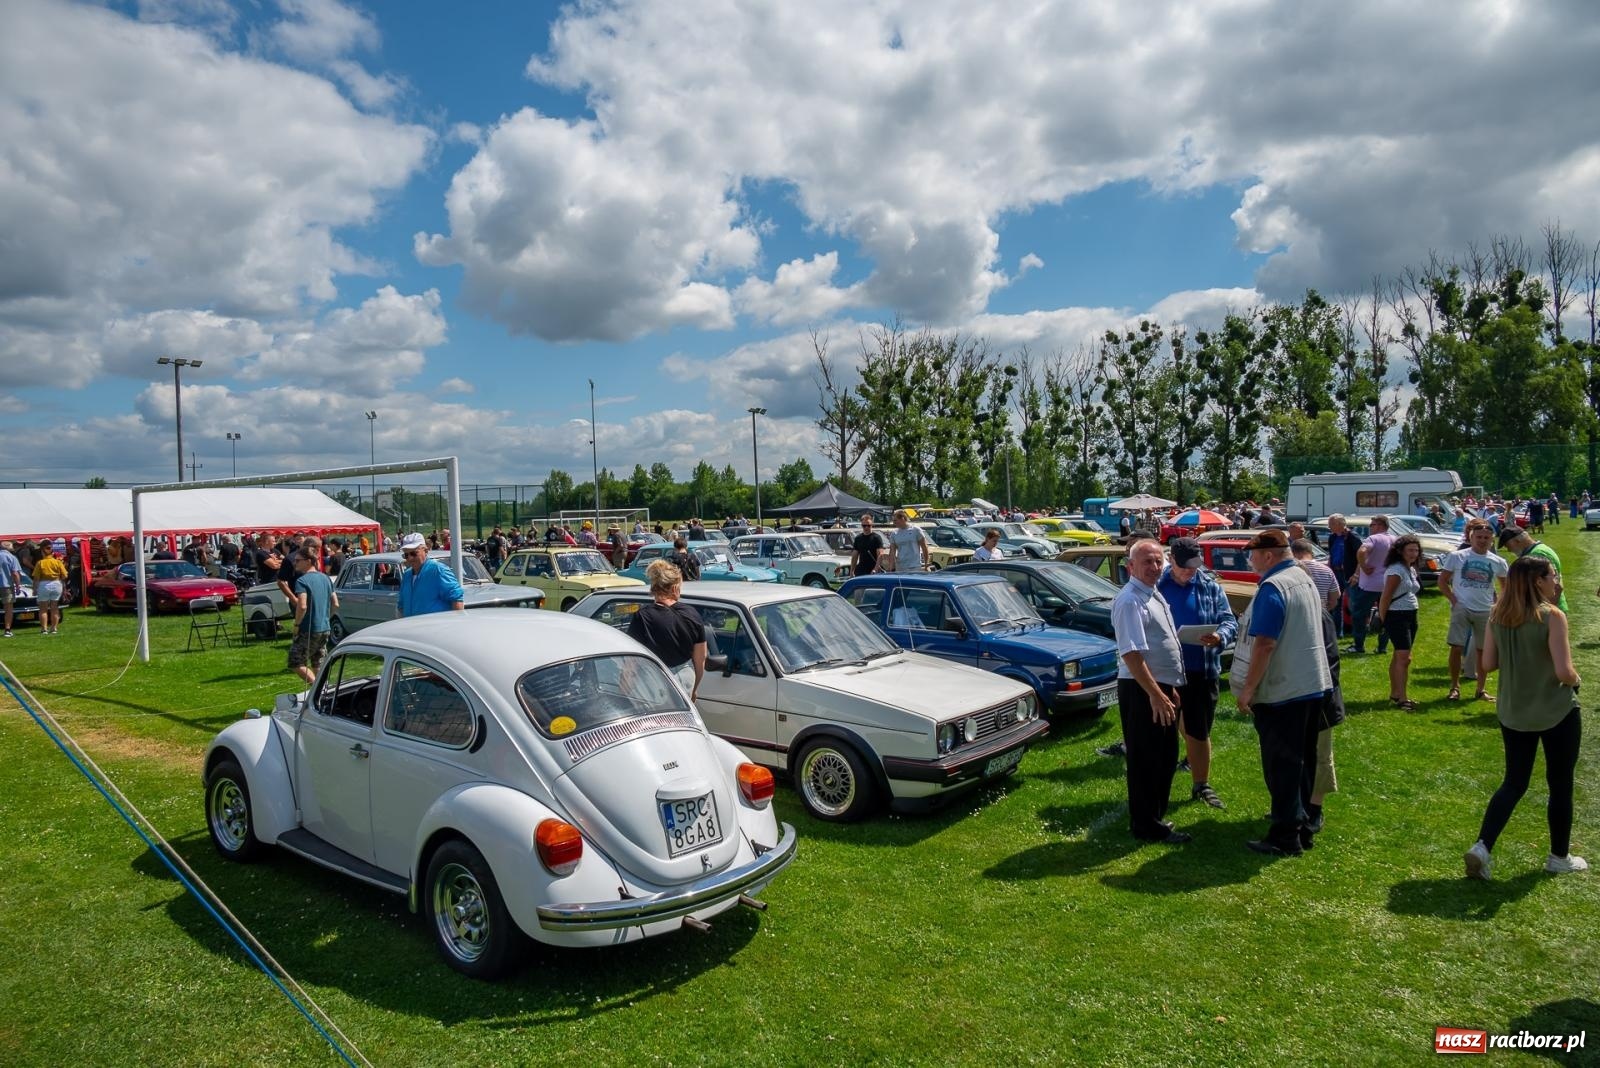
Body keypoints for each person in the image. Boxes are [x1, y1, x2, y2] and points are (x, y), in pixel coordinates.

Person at [1464, 555, 1586, 879]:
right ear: (1537, 581)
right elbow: (1564, 671)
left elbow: (1487, 664)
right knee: (1560, 785)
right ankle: (1559, 856)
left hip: (1513, 711)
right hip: (1556, 710)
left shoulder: (1497, 616)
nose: (1556, 581)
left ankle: (1482, 847)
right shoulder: (1553, 616)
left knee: (1514, 783)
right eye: (1551, 576)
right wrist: (1577, 680)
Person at [1231, 529, 1332, 856]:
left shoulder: (1273, 587)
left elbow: (1265, 643)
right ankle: (1301, 828)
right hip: (1312, 685)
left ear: (1268, 556)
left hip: (1283, 690)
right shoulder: (1304, 579)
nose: (1250, 559)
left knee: (1282, 766)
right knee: (1302, 761)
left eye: (1253, 554)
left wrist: (1248, 688)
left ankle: (1285, 836)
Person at [1110, 539, 1190, 844]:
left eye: (1158, 562)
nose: (1155, 568)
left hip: (1159, 687)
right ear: (1131, 566)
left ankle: (1154, 817)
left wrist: (1170, 686)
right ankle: (1146, 825)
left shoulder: (1152, 593)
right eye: (1147, 562)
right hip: (1142, 690)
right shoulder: (1130, 599)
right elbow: (1131, 654)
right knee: (1147, 760)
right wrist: (1156, 694)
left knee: (1165, 756)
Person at [1157, 538, 1237, 810]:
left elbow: (1229, 620)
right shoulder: (1156, 586)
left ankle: (1201, 783)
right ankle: (1157, 785)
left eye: (1194, 566)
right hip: (1165, 672)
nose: (1190, 571)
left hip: (1201, 671)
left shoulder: (1209, 585)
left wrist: (1219, 636)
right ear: (1171, 559)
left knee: (1199, 731)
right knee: (1163, 731)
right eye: (1184, 566)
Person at [1440, 520, 1507, 701]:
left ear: (1492, 540)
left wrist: (1498, 605)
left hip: (1485, 610)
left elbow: (1505, 587)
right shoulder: (1457, 556)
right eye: (1479, 537)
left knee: (1482, 650)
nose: (1482, 540)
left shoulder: (1498, 561)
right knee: (1456, 647)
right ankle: (1454, 687)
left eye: (1486, 537)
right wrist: (1454, 600)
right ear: (1471, 537)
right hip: (1461, 608)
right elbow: (1442, 580)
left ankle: (1481, 689)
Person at [627, 560, 707, 700]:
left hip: (653, 682)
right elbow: (700, 659)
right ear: (675, 588)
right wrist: (694, 689)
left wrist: (625, 688)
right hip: (686, 679)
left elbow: (631, 663)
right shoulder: (693, 614)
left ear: (654, 588)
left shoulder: (642, 617)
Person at [1376, 534, 1423, 710]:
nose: (1413, 553)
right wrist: (1383, 620)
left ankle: (1395, 693)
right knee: (1405, 658)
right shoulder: (1395, 570)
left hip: (1411, 613)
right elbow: (1385, 597)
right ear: (1400, 551)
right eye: (1410, 550)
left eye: (1416, 550)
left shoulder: (1409, 568)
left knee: (1399, 656)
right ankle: (1403, 698)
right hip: (1396, 615)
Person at [288, 550, 337, 685]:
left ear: (309, 561)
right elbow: (336, 604)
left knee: (295, 661)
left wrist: (297, 625)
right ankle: (325, 691)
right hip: (325, 627)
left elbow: (302, 606)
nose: (295, 563)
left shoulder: (302, 581)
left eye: (298, 561)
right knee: (317, 661)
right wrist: (326, 617)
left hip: (308, 629)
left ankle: (317, 689)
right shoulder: (325, 578)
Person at [1347, 515, 1394, 655]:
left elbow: (1362, 551)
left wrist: (1364, 566)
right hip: (1388, 583)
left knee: (1360, 615)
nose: (1370, 528)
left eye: (1372, 525)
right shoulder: (1396, 540)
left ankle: (1358, 645)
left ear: (1379, 525)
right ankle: (1382, 647)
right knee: (1386, 615)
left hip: (1369, 584)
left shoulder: (1373, 539)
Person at [396, 532, 464, 616]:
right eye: (406, 555)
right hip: (412, 627)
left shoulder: (438, 570)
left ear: (426, 551)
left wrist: (454, 625)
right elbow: (401, 606)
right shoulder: (407, 575)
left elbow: (456, 599)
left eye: (414, 553)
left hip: (436, 628)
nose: (410, 558)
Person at [1499, 526, 1567, 611]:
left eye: (1507, 545)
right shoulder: (1539, 549)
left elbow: (1557, 586)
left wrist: (1547, 612)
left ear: (1517, 541)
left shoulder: (1538, 554)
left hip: (1548, 609)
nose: (1508, 550)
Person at [1323, 514, 1363, 637]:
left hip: (1349, 574)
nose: (1329, 527)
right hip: (1336, 572)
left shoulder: (1352, 537)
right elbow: (1331, 554)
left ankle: (1357, 633)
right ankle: (1336, 633)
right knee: (1336, 603)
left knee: (1353, 604)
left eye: (1331, 524)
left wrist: (1356, 574)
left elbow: (1362, 557)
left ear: (1340, 524)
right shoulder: (1332, 537)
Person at [1291, 539, 1340, 616]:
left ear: (1293, 553)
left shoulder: (1289, 570)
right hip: (1320, 616)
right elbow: (1335, 598)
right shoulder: (1326, 570)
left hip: (1296, 616)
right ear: (1311, 552)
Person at [31, 542, 68, 636]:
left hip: (44, 584)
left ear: (42, 551)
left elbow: (36, 578)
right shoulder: (58, 562)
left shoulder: (40, 563)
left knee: (43, 608)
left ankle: (44, 629)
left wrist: (34, 589)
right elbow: (64, 575)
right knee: (54, 607)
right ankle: (54, 628)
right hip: (56, 583)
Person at [0, 541, 22, 638]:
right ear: (9, 548)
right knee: (8, 609)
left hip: (5, 584)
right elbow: (15, 573)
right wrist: (18, 585)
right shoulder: (12, 557)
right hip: (6, 585)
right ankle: (7, 630)